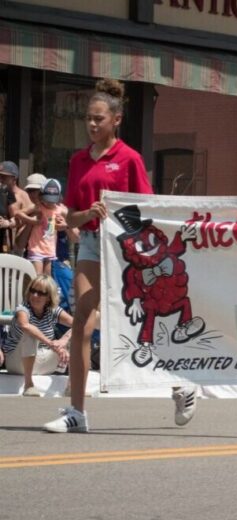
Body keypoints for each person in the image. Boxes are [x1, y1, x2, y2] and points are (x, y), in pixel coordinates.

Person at [42, 79, 158, 433]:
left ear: (116, 119)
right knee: (82, 320)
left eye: (99, 119)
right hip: (91, 242)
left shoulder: (129, 159)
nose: (92, 125)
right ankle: (77, 411)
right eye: (88, 119)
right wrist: (88, 213)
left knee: (151, 322)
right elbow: (71, 216)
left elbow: (149, 209)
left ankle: (182, 386)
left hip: (126, 246)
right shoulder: (78, 160)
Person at [0, 275, 73, 396]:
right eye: (32, 291)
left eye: (40, 293)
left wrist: (63, 341)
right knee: (30, 333)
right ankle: (29, 385)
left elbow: (78, 324)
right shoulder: (22, 309)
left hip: (44, 360)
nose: (34, 295)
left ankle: (72, 387)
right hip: (17, 362)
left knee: (76, 337)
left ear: (49, 297)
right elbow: (25, 325)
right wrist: (51, 343)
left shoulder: (53, 310)